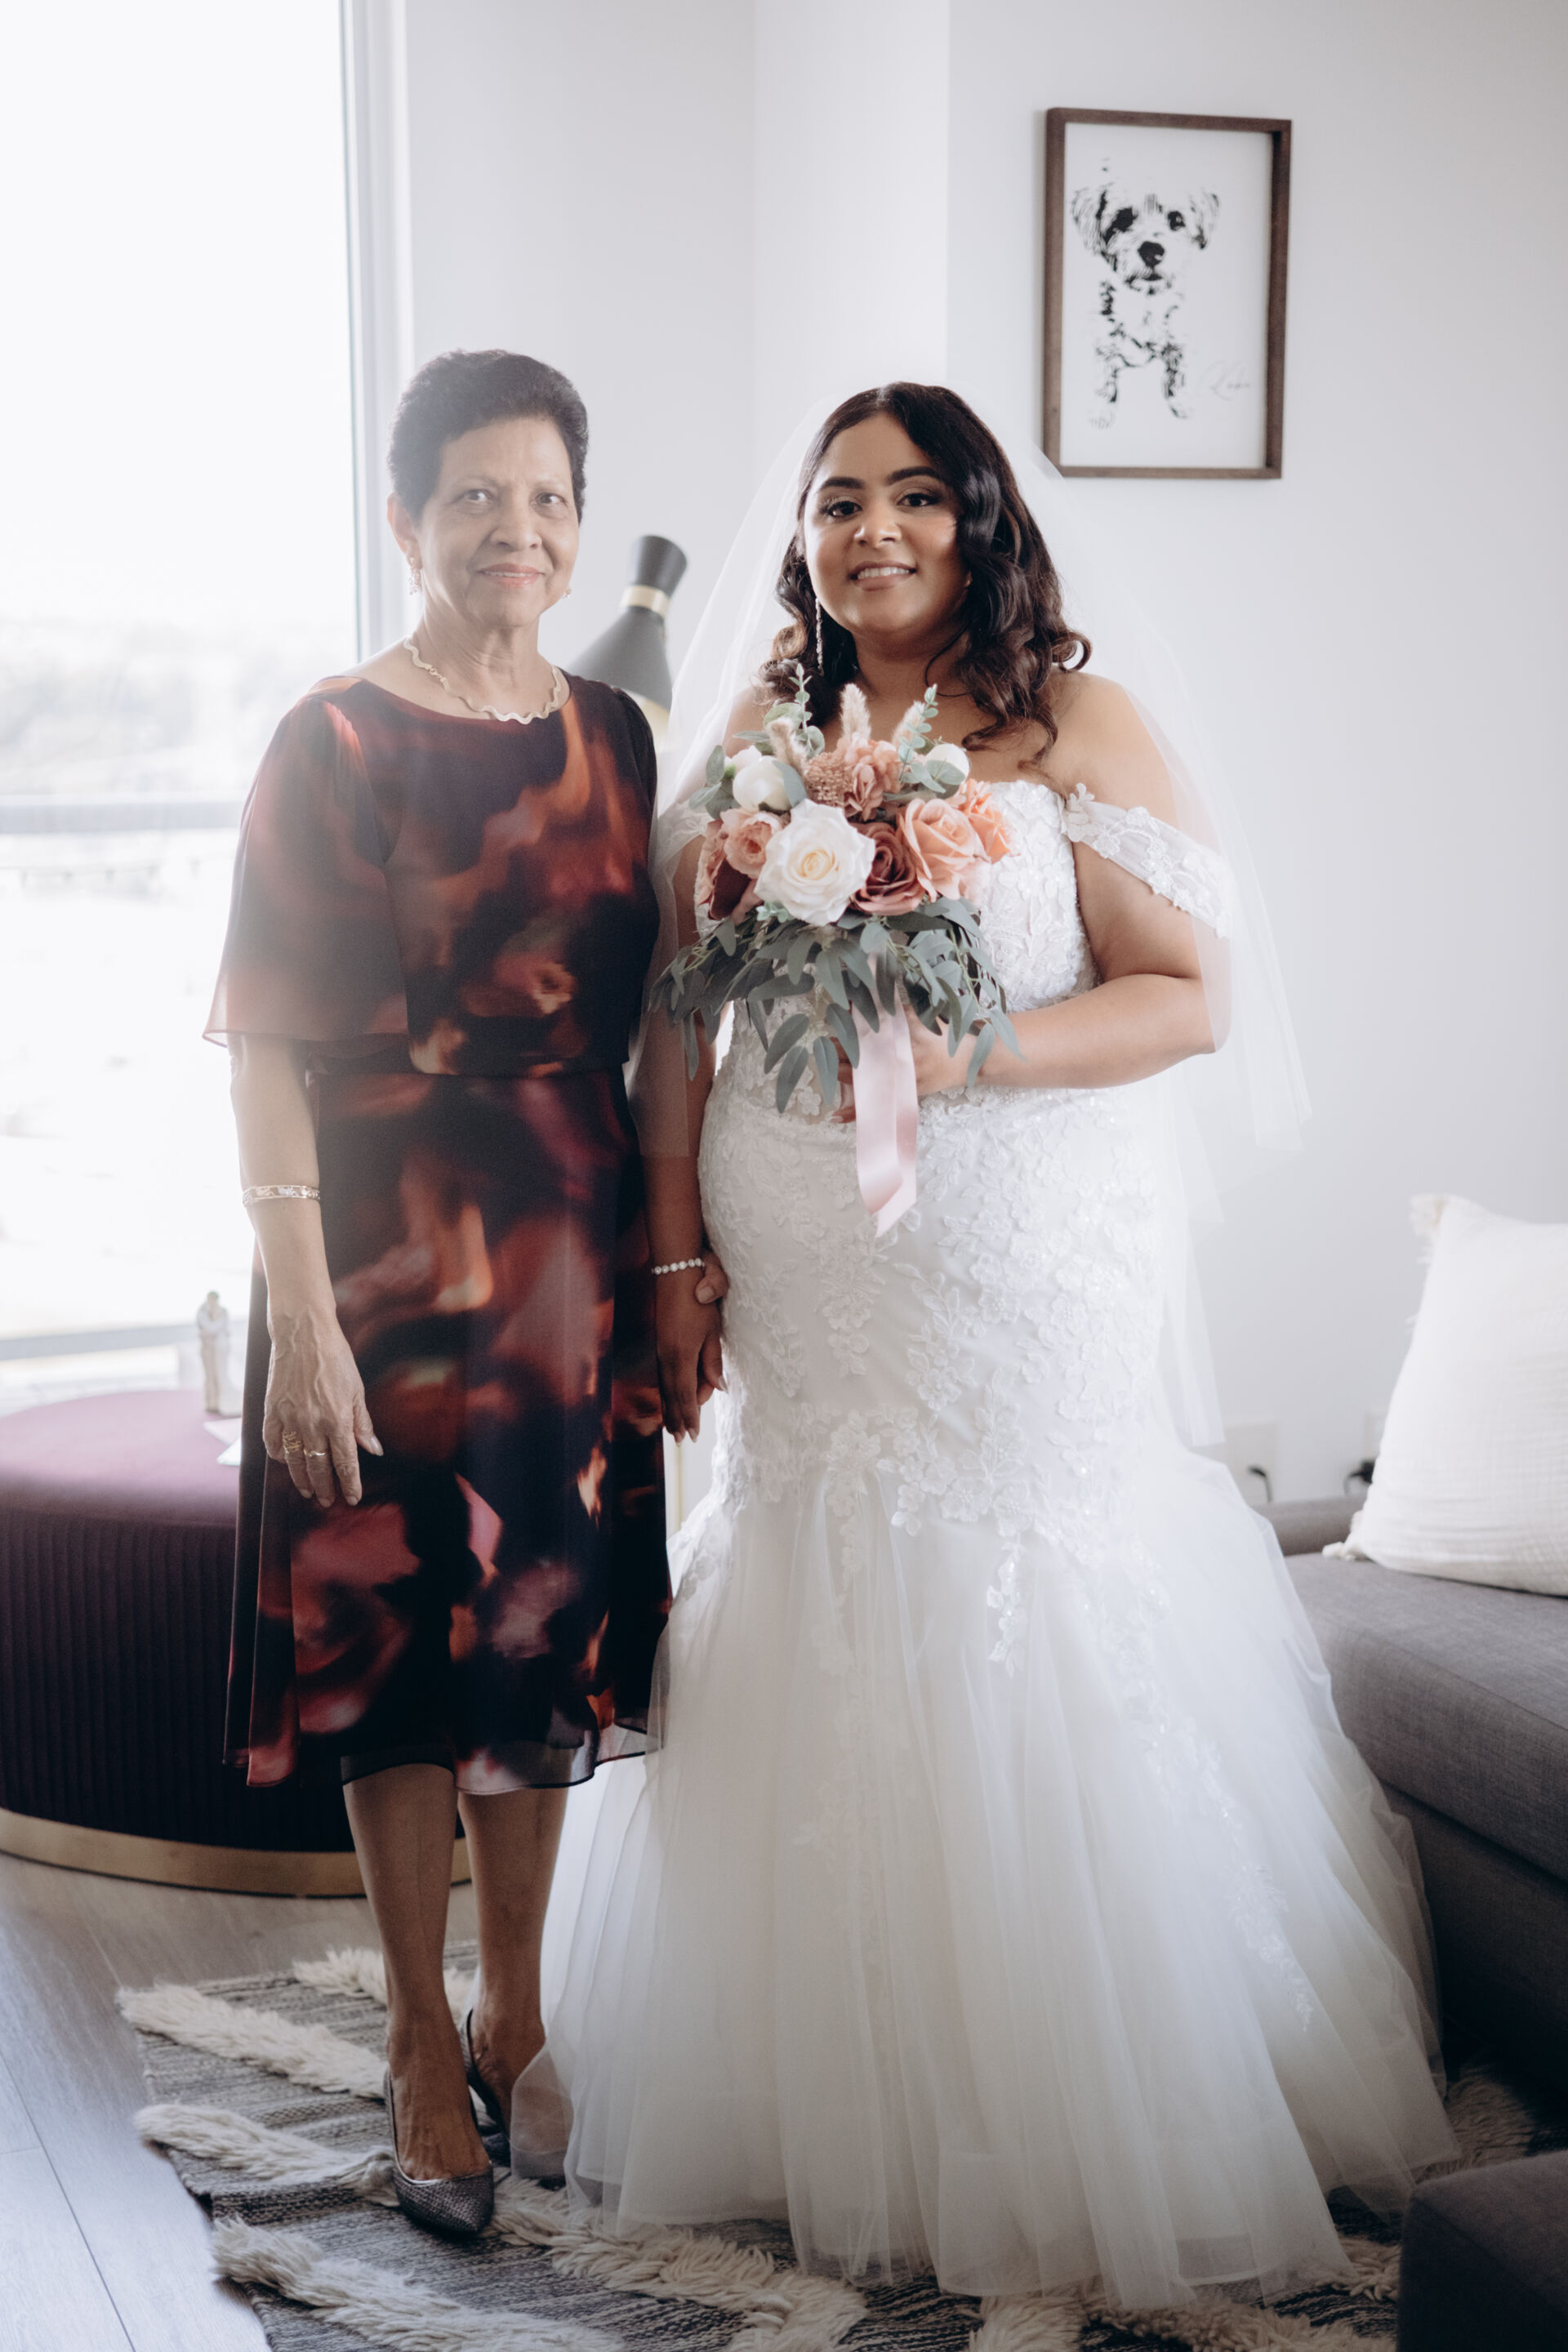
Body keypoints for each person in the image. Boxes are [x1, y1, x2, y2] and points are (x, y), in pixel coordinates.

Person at [548, 385, 1457, 2309]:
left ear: (978, 522)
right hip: (800, 1255)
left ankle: (1083, 2104)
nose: (870, 530)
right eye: (836, 500)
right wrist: (674, 1253)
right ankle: (815, 2088)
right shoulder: (763, 733)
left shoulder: (1072, 726)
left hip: (1021, 1251)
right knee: (814, 1570)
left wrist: (978, 1057)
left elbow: (1185, 996)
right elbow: (678, 1019)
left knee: (1025, 1582)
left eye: (911, 496)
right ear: (803, 537)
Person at [207, 349, 723, 2238]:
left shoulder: (618, 735)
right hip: (374, 1260)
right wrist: (300, 1317)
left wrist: (672, 1260)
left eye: (552, 498)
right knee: (392, 1646)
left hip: (565, 1261)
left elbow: (663, 1021)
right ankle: (419, 2036)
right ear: (405, 519)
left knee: (535, 1633)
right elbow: (265, 1047)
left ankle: (519, 2012)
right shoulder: (332, 739)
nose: (523, 529)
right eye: (480, 496)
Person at [195, 1290, 231, 1414]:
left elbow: (214, 1328)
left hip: (218, 1348)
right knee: (209, 1375)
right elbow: (208, 1327)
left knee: (219, 1374)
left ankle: (219, 1402)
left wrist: (209, 1332)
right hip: (207, 1349)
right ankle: (210, 1402)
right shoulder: (202, 1311)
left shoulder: (222, 1311)